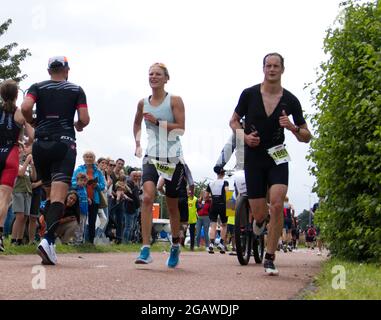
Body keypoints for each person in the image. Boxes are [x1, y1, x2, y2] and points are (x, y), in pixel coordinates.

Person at [229, 52, 312, 275]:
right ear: (263, 68)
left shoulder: (291, 100)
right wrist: (244, 138)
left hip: (277, 156)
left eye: (276, 66)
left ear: (282, 70)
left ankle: (270, 257)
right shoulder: (249, 94)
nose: (272, 69)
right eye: (268, 66)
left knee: (276, 204)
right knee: (259, 214)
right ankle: (258, 224)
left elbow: (307, 135)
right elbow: (234, 121)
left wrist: (292, 128)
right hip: (254, 157)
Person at [21, 56, 90, 265]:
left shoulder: (37, 86)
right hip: (64, 143)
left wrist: (34, 121)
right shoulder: (76, 89)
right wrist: (78, 125)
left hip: (41, 144)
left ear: (49, 70)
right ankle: (48, 240)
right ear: (67, 70)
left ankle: (47, 242)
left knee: (51, 196)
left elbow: (25, 106)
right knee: (59, 197)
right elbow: (85, 119)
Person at [133, 62, 186, 268]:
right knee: (147, 196)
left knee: (172, 206)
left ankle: (174, 245)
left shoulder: (174, 100)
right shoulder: (142, 103)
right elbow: (137, 123)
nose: (153, 77)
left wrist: (157, 122)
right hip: (151, 156)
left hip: (172, 157)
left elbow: (180, 129)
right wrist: (137, 142)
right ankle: (145, 248)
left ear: (166, 78)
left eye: (158, 74)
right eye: (150, 74)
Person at [0, 80, 33, 252]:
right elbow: (32, 136)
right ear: (16, 95)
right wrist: (24, 142)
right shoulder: (19, 113)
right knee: (4, 198)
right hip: (11, 154)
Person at [71, 151, 106, 244]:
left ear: (94, 159)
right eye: (87, 156)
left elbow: (103, 186)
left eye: (91, 157)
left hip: (94, 199)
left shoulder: (98, 171)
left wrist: (96, 185)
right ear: (84, 158)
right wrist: (80, 184)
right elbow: (72, 182)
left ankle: (90, 242)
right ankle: (77, 241)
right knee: (80, 220)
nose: (89, 158)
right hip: (81, 199)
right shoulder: (79, 169)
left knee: (92, 221)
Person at [206, 168, 229, 254]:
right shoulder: (225, 182)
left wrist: (212, 198)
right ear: (223, 174)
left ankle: (211, 244)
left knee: (213, 225)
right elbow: (227, 192)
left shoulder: (210, 183)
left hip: (213, 204)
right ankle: (221, 243)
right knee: (224, 224)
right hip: (223, 204)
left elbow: (206, 196)